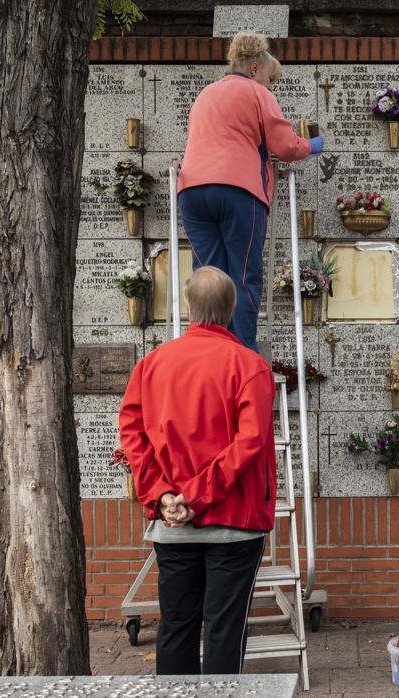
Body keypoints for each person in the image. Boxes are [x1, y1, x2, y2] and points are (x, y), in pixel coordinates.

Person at [118, 266, 278, 676]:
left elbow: (133, 436)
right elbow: (251, 442)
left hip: (171, 521)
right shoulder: (249, 366)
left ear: (188, 307)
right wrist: (195, 496)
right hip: (233, 521)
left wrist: (165, 495)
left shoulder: (151, 365)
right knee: (224, 629)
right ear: (230, 310)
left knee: (176, 626)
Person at [176, 31, 323, 353]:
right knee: (243, 276)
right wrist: (311, 145)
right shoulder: (256, 93)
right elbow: (284, 146)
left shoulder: (206, 93)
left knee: (209, 275)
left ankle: (206, 351)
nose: (271, 87)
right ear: (255, 68)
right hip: (238, 190)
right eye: (271, 79)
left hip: (192, 190)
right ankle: (241, 354)